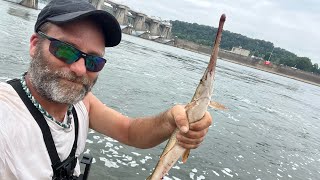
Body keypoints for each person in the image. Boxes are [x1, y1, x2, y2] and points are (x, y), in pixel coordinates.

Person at [0, 0, 212, 179]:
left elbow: (130, 131)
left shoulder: (83, 105)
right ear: (35, 45)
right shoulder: (5, 113)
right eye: (65, 50)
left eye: (93, 61)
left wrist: (170, 120)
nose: (80, 69)